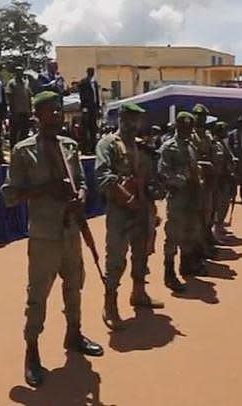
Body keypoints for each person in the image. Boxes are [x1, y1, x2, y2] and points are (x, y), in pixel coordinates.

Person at [1, 91, 103, 388]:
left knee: (74, 286)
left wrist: (80, 196)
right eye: (51, 111)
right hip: (44, 235)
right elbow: (9, 195)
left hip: (71, 230)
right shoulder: (23, 151)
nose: (57, 115)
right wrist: (44, 190)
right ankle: (32, 351)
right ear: (37, 115)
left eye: (59, 110)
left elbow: (82, 182)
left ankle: (74, 334)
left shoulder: (69, 146)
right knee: (38, 297)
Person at [95, 102, 165, 331]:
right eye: (130, 119)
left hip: (143, 207)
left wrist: (153, 191)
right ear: (121, 119)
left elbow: (151, 177)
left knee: (141, 252)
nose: (134, 124)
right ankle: (110, 304)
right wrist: (127, 197)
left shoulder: (141, 148)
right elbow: (103, 177)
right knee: (115, 257)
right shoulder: (108, 144)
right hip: (120, 208)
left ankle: (138, 292)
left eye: (137, 120)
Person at [158, 111, 203, 291]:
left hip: (192, 195)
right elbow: (163, 173)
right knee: (173, 234)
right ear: (177, 126)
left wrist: (197, 177)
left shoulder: (191, 145)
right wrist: (181, 178)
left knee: (190, 231)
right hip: (178, 196)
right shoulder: (169, 147)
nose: (187, 130)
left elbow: (195, 167)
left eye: (189, 127)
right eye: (183, 126)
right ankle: (169, 273)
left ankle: (186, 264)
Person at [191, 103, 218, 258]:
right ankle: (198, 249)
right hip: (195, 181)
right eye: (197, 116)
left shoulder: (207, 135)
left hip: (208, 181)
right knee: (196, 217)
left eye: (202, 116)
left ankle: (205, 243)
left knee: (208, 213)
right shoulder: (190, 135)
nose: (200, 119)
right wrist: (204, 163)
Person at [212, 121, 236, 238]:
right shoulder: (214, 143)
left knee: (225, 203)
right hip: (218, 179)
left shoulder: (224, 143)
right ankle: (215, 231)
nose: (226, 132)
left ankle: (220, 226)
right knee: (218, 205)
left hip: (226, 178)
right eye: (224, 130)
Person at [6, 66, 32, 148]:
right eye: (18, 71)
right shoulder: (11, 83)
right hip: (16, 112)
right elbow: (9, 96)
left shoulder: (26, 83)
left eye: (21, 71)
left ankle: (23, 150)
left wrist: (30, 110)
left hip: (25, 111)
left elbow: (29, 96)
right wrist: (13, 111)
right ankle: (13, 150)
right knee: (14, 133)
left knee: (25, 132)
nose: (20, 73)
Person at [78, 67, 101, 154]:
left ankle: (93, 148)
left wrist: (98, 108)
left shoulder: (94, 83)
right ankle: (84, 149)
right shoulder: (83, 82)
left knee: (93, 129)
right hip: (87, 108)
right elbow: (82, 95)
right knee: (85, 129)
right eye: (90, 72)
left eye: (93, 72)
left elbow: (96, 96)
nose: (92, 73)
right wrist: (84, 107)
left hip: (94, 108)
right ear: (87, 72)